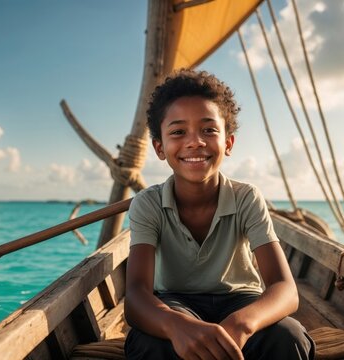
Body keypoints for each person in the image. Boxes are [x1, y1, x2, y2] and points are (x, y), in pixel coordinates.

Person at [124, 69, 314, 359]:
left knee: (289, 337)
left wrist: (241, 324)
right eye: (178, 132)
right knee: (150, 344)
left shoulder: (246, 198)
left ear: (228, 143)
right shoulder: (147, 205)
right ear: (160, 148)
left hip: (241, 300)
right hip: (175, 302)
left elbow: (284, 289)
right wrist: (176, 325)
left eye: (209, 130)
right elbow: (137, 296)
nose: (195, 142)